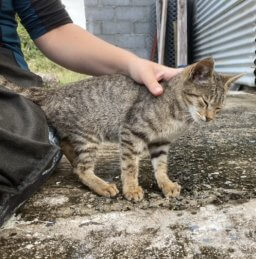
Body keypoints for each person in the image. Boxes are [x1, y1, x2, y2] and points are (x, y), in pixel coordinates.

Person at [0, 0, 181, 227]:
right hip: (68, 109)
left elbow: (55, 28)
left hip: (6, 65)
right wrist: (130, 181)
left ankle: (59, 137)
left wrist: (132, 64)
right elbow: (130, 137)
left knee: (17, 146)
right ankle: (82, 168)